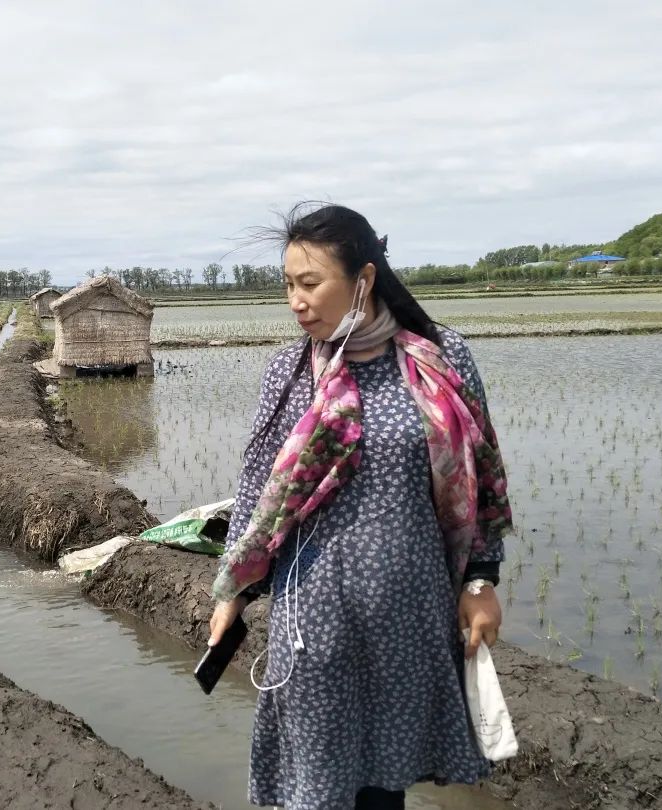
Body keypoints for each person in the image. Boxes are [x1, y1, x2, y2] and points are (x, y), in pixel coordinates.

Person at [207, 203, 512, 810]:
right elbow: (259, 488)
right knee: (316, 783)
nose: (296, 301)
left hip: (409, 612)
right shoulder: (291, 373)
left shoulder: (440, 357)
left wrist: (480, 580)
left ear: (364, 278)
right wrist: (231, 592)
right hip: (313, 615)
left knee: (384, 780)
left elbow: (481, 476)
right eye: (288, 285)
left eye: (310, 283)